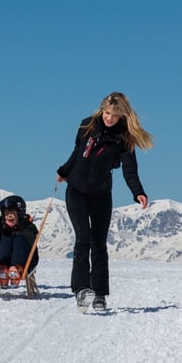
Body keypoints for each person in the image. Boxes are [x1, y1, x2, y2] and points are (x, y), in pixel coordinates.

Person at [56, 91, 152, 312]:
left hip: (101, 194)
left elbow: (130, 170)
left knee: (98, 243)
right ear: (102, 110)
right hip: (76, 190)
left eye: (114, 115)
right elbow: (77, 153)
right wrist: (64, 170)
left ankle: (99, 294)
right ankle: (81, 289)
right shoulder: (86, 126)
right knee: (83, 239)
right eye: (107, 113)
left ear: (122, 116)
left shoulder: (124, 138)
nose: (109, 118)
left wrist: (138, 191)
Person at [0, 195, 39, 291]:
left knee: (19, 239)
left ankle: (16, 269)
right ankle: (3, 270)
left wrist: (23, 228)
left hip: (27, 261)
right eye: (6, 213)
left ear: (20, 214)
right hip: (7, 262)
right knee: (6, 239)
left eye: (12, 213)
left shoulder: (27, 226)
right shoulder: (4, 230)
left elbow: (32, 242)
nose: (9, 215)